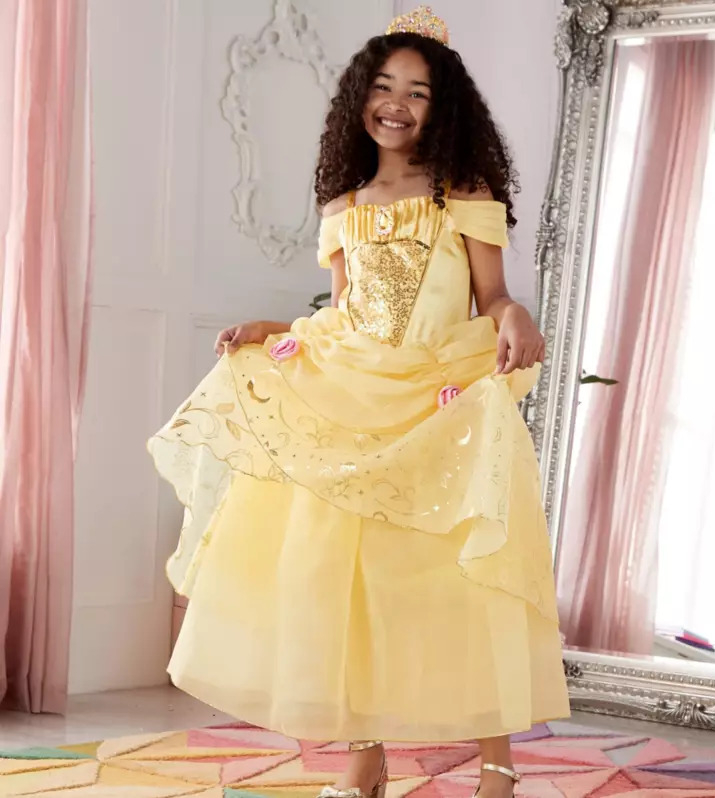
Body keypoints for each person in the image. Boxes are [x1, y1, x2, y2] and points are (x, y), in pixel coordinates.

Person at [148, 7, 569, 797]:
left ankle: (498, 764)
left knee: (455, 580)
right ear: (359, 98)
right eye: (383, 87)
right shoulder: (345, 202)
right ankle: (363, 756)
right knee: (355, 581)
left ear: (442, 108)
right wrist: (277, 329)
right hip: (355, 391)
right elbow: (341, 313)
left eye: (417, 91)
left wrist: (519, 320)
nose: (397, 104)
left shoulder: (463, 193)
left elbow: (495, 297)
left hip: (438, 396)